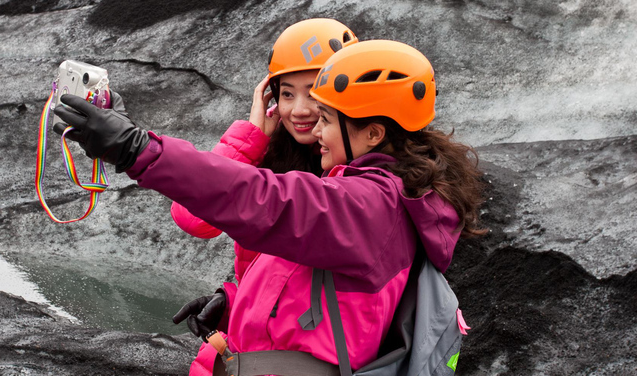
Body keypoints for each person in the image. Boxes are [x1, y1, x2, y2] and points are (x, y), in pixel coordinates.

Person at [53, 39, 484, 375]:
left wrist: (137, 150)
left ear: (372, 134)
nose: (315, 129)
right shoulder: (378, 198)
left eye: (328, 120)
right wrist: (236, 300)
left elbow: (264, 201)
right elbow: (314, 286)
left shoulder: (371, 207)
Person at [169, 18, 358, 375]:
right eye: (287, 93)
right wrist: (252, 135)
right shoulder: (270, 156)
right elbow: (192, 217)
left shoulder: (356, 177)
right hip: (256, 349)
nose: (299, 109)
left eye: (314, 92)